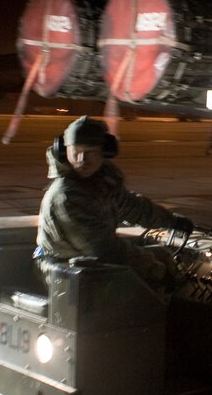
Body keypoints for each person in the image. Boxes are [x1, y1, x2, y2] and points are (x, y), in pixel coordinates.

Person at [35, 116, 195, 290]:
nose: (81, 159)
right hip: (63, 272)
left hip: (87, 261)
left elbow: (131, 206)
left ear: (105, 152)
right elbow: (105, 249)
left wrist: (171, 221)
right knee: (141, 285)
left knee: (163, 256)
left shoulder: (100, 182)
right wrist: (158, 272)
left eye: (90, 152)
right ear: (63, 151)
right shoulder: (66, 195)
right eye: (75, 152)